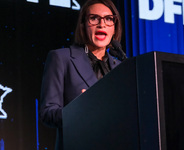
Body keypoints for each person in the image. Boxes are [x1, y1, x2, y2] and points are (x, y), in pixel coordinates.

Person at [40, 0, 123, 149]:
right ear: (83, 25)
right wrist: (80, 109)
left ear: (114, 28)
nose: (101, 24)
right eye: (94, 18)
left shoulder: (122, 67)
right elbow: (48, 113)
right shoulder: (61, 58)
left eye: (109, 19)